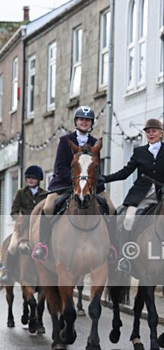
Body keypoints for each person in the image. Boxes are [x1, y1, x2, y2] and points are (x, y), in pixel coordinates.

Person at [32, 106, 113, 261]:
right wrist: (76, 180)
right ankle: (43, 245)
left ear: (91, 123)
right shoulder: (65, 141)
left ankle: (111, 248)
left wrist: (90, 181)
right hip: (64, 184)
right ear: (76, 121)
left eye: (87, 120)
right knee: (48, 207)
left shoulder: (95, 143)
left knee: (111, 208)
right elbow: (59, 166)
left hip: (90, 186)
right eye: (81, 119)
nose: (84, 122)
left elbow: (96, 167)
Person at [101, 118, 164, 272]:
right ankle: (125, 258)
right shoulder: (139, 152)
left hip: (163, 199)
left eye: (154, 131)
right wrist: (105, 178)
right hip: (140, 197)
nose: (151, 134)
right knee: (128, 220)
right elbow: (125, 172)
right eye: (148, 131)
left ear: (161, 133)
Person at [0, 166, 48, 283]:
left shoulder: (45, 194)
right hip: (22, 226)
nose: (30, 180)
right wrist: (20, 219)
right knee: (12, 246)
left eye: (33, 178)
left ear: (39, 179)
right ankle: (8, 271)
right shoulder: (21, 192)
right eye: (28, 178)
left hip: (38, 226)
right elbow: (14, 211)